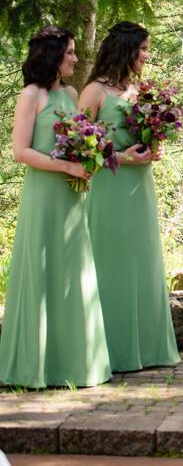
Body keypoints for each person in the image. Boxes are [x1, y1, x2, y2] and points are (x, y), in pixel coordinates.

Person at [0, 26, 112, 388]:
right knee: (43, 271)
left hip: (71, 194)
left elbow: (81, 137)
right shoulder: (31, 95)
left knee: (72, 274)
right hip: (44, 195)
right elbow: (21, 151)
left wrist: (89, 161)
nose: (76, 59)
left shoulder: (71, 93)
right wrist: (66, 165)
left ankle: (76, 364)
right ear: (52, 56)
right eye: (70, 54)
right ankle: (35, 368)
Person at [78, 21, 180, 372]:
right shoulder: (94, 91)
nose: (147, 56)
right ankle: (111, 352)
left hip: (141, 187)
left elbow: (145, 136)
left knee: (142, 263)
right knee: (112, 265)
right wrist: (122, 157)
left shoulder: (138, 92)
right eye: (144, 49)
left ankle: (147, 349)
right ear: (126, 49)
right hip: (111, 187)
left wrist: (154, 148)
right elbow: (80, 146)